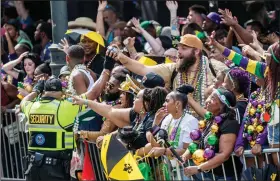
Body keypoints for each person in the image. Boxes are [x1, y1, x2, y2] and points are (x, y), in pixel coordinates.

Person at [208, 31, 280, 169]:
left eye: (268, 55)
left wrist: (259, 141)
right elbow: (240, 60)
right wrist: (217, 45)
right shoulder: (264, 70)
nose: (265, 57)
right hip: (272, 130)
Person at [106, 34, 215, 118]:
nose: (179, 52)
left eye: (184, 49)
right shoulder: (173, 69)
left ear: (196, 51)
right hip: (178, 123)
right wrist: (121, 56)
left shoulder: (213, 68)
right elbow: (142, 69)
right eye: (178, 48)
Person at [72, 80, 168, 150]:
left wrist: (137, 152)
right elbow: (109, 111)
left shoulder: (151, 120)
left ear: (146, 104)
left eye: (137, 97)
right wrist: (86, 102)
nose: (134, 99)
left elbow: (153, 145)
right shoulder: (135, 114)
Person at [183, 88, 242, 180]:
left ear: (223, 105)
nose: (207, 100)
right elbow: (197, 142)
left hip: (223, 176)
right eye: (209, 96)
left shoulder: (230, 123)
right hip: (206, 173)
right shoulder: (209, 119)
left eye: (213, 98)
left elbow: (224, 155)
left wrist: (199, 168)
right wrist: (185, 155)